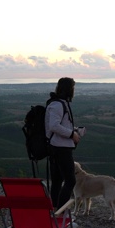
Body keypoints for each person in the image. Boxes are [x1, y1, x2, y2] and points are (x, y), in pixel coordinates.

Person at [45, 77, 81, 211]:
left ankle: (54, 210)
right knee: (70, 181)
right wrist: (72, 134)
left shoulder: (59, 103)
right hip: (61, 148)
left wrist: (74, 131)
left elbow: (59, 124)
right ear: (69, 89)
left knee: (57, 180)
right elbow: (54, 126)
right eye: (73, 88)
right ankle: (60, 212)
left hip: (57, 147)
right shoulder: (57, 104)